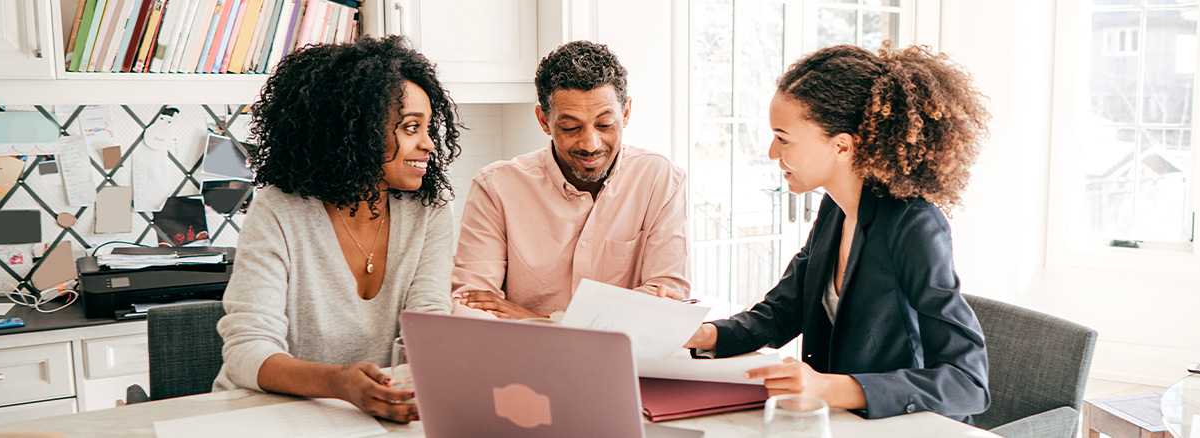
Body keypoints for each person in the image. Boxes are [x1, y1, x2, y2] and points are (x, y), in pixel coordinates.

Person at [683, 43, 992, 423]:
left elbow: (968, 383)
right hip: (841, 423)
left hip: (904, 426)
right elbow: (782, 312)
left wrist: (828, 388)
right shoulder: (834, 209)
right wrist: (702, 335)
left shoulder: (914, 226)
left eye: (783, 138)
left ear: (842, 146)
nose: (770, 152)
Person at [214, 36, 479, 423]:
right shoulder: (278, 210)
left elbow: (428, 327)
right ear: (355, 130)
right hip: (271, 416)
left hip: (376, 416)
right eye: (410, 128)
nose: (428, 144)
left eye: (428, 128)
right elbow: (246, 352)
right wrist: (340, 383)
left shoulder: (430, 210)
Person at [451, 40, 690, 319]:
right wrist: (616, 314)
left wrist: (540, 320)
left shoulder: (661, 180)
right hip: (523, 360)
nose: (590, 144)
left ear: (625, 114)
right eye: (570, 127)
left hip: (625, 360)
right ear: (544, 120)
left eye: (604, 125)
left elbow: (667, 297)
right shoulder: (495, 188)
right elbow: (472, 306)